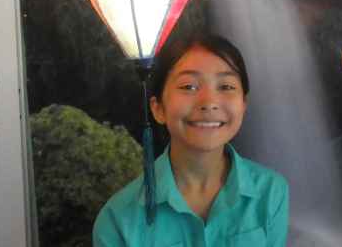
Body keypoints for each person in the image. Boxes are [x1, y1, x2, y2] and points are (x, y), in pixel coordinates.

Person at [93, 33, 289, 247]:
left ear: (243, 104)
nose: (209, 102)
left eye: (226, 86)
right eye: (189, 87)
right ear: (158, 108)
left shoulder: (270, 191)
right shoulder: (118, 220)